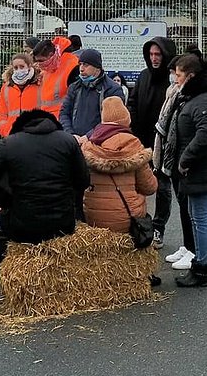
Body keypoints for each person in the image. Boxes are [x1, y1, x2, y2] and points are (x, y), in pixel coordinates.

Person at [0, 109, 91, 301]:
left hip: (23, 227)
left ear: (20, 126)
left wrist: (7, 202)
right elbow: (83, 181)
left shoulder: (10, 143)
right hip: (63, 225)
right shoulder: (68, 141)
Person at [168, 53, 207, 288]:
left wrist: (184, 160)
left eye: (180, 75)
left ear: (191, 76)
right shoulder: (197, 96)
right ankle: (199, 263)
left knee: (201, 218)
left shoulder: (203, 100)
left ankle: (203, 268)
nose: (176, 78)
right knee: (195, 216)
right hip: (197, 167)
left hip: (200, 168)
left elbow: (205, 134)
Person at [81, 97, 157, 233]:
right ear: (126, 120)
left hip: (93, 218)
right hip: (129, 218)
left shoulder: (88, 147)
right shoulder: (135, 147)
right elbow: (150, 187)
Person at [128, 37, 177, 247]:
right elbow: (132, 102)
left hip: (163, 144)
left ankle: (158, 228)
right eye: (151, 54)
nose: (154, 58)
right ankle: (140, 226)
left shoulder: (173, 80)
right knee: (137, 186)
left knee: (163, 188)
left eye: (158, 54)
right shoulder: (144, 76)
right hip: (141, 141)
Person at [155, 50, 199, 270]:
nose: (174, 77)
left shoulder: (189, 96)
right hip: (172, 155)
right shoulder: (173, 92)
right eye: (173, 73)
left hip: (182, 157)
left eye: (177, 73)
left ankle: (193, 250)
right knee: (183, 206)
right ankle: (186, 245)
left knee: (190, 207)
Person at [59, 48, 123, 137]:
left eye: (86, 65)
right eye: (80, 64)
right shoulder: (74, 87)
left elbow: (112, 121)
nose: (81, 69)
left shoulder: (112, 89)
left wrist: (88, 137)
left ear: (97, 68)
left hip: (99, 142)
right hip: (74, 141)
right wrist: (70, 134)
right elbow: (64, 113)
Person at [0, 53, 42, 138]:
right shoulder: (6, 87)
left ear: (29, 66)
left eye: (22, 66)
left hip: (35, 135)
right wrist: (5, 129)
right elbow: (1, 113)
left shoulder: (40, 84)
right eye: (16, 68)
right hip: (12, 135)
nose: (19, 70)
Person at [31, 40, 77, 120]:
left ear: (51, 55)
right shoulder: (50, 66)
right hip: (49, 119)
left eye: (41, 60)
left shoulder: (72, 67)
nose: (39, 64)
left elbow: (76, 100)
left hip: (63, 120)